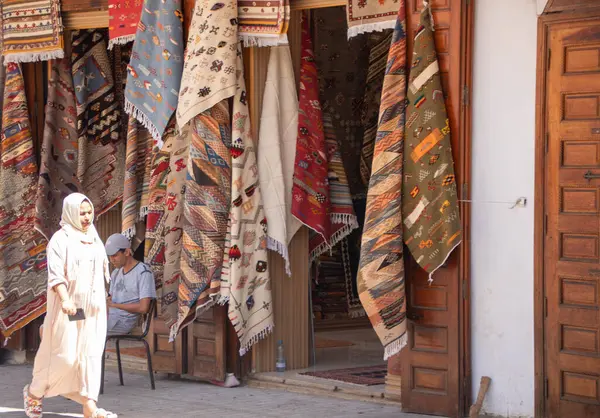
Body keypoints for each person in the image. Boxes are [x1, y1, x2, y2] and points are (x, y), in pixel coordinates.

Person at [23, 193, 117, 418]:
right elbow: (55, 276)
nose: (86, 217)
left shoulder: (94, 237)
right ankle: (34, 393)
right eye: (81, 213)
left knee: (90, 355)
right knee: (64, 356)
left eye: (89, 212)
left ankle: (90, 407)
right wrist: (65, 299)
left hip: (92, 310)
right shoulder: (60, 239)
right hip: (70, 309)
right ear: (70, 213)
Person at [104, 233, 156, 336]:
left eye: (115, 255)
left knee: (89, 330)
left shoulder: (143, 272)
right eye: (109, 257)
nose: (111, 260)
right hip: (110, 316)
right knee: (77, 322)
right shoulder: (116, 273)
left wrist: (114, 305)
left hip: (124, 322)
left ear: (127, 252)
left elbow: (143, 307)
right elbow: (109, 301)